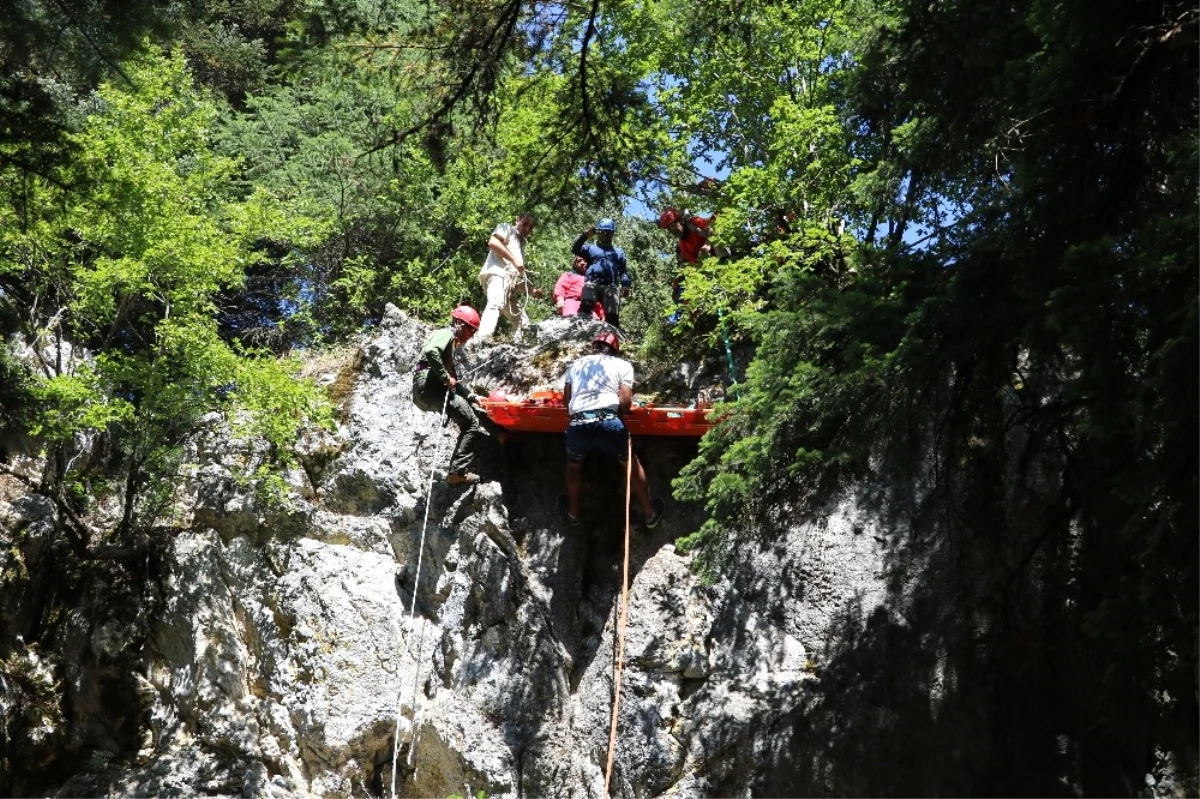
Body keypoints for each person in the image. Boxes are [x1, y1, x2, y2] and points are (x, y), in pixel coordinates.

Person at [559, 331, 665, 528]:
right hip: (609, 422)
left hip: (579, 423)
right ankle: (650, 513)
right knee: (631, 465)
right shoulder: (622, 365)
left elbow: (567, 401)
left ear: (594, 347)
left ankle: (573, 513)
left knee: (573, 466)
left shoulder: (575, 365)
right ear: (614, 350)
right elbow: (624, 402)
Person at [411, 306, 501, 486]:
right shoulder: (446, 333)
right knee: (471, 423)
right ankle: (457, 473)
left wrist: (474, 397)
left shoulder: (449, 350)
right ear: (460, 324)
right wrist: (445, 377)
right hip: (430, 387)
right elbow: (431, 351)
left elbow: (455, 384)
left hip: (426, 391)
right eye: (471, 330)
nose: (471, 335)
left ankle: (457, 472)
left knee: (468, 418)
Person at [477, 213, 540, 340]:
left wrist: (532, 290)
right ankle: (482, 340)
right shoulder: (506, 228)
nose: (527, 229)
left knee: (522, 322)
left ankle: (519, 347)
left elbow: (515, 282)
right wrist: (515, 260)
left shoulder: (521, 245)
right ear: (517, 220)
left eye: (531, 227)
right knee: (495, 304)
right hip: (497, 275)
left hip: (509, 287)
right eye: (525, 224)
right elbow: (493, 242)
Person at [572, 217, 630, 328]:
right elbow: (575, 249)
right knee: (585, 309)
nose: (605, 235)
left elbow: (623, 271)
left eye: (608, 232)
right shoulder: (590, 248)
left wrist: (626, 285)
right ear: (598, 233)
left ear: (612, 234)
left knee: (612, 318)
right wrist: (585, 236)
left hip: (610, 286)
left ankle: (612, 340)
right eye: (603, 232)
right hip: (592, 283)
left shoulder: (618, 252)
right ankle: (580, 334)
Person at [658, 208, 713, 322]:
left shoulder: (694, 223)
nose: (673, 231)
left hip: (717, 250)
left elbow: (713, 225)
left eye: (673, 226)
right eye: (669, 229)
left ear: (680, 221)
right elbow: (695, 264)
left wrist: (708, 244)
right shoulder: (682, 244)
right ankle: (688, 314)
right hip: (708, 265)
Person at [553, 255, 604, 320]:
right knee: (571, 319)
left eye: (585, 261)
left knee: (595, 324)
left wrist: (602, 314)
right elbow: (561, 287)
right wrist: (560, 300)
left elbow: (599, 300)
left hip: (589, 306)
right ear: (575, 264)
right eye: (579, 261)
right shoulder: (569, 275)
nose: (582, 262)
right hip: (571, 302)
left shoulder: (594, 280)